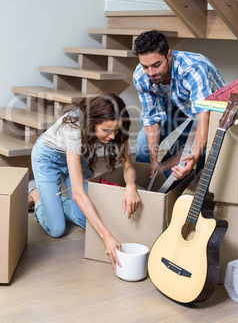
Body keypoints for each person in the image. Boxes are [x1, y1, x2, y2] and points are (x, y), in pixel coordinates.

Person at [28, 93, 140, 271]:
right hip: (47, 158)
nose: (112, 136)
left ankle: (57, 202)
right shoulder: (74, 127)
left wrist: (131, 186)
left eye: (116, 131)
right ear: (92, 123)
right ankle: (36, 194)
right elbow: (79, 193)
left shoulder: (117, 126)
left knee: (84, 219)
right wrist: (106, 237)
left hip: (76, 157)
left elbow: (128, 167)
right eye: (106, 131)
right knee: (57, 229)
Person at [133, 30, 225, 181]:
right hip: (178, 103)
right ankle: (147, 184)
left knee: (194, 154)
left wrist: (194, 155)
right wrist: (153, 160)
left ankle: (180, 182)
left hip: (211, 110)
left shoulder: (193, 69)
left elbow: (203, 118)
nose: (151, 72)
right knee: (143, 140)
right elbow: (150, 118)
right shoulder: (141, 76)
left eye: (156, 65)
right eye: (145, 66)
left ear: (169, 55)